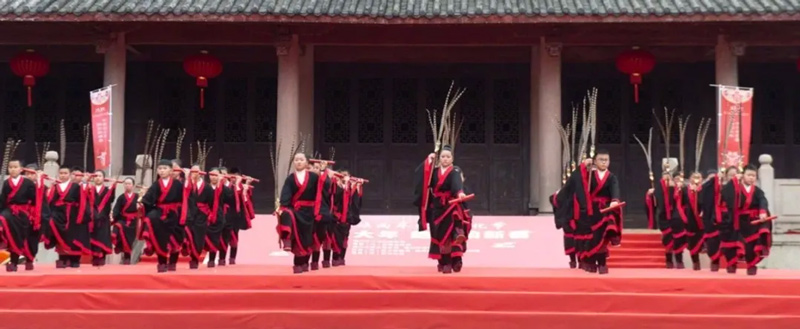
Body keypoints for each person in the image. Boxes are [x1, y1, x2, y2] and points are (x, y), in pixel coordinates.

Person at [414, 145, 467, 274]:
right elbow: (422, 177)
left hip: (451, 205)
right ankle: (442, 261)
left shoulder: (455, 170)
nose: (445, 159)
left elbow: (457, 184)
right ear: (439, 158)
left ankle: (454, 260)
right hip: (436, 207)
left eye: (448, 157)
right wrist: (428, 161)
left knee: (451, 234)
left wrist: (459, 193)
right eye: (442, 156)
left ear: (452, 158)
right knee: (437, 234)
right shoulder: (434, 171)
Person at [570, 151, 623, 274]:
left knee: (602, 238)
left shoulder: (611, 177)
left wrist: (614, 200)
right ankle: (591, 263)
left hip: (604, 211)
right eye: (601, 159)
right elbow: (576, 179)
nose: (604, 162)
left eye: (606, 160)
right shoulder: (589, 175)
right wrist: (583, 165)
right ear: (595, 161)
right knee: (591, 239)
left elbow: (615, 190)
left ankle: (602, 264)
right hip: (590, 210)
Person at [277, 152, 326, 273]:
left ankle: (304, 262)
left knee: (308, 239)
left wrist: (323, 172)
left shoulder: (314, 177)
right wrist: (283, 206)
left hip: (310, 212)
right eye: (296, 160)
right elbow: (286, 195)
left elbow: (322, 191)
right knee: (287, 216)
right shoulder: (290, 178)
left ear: (306, 162)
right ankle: (289, 245)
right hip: (296, 211)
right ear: (294, 162)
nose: (299, 162)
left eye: (301, 159)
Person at [139, 159, 192, 272]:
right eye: (160, 168)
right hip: (160, 213)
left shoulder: (177, 184)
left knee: (176, 238)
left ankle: (172, 262)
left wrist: (187, 178)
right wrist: (141, 204)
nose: (162, 171)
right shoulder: (156, 184)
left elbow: (186, 195)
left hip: (175, 214)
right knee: (158, 235)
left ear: (171, 170)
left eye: (165, 168)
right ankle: (162, 263)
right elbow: (147, 200)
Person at [720, 164, 771, 275]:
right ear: (743, 175)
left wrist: (762, 212)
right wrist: (733, 181)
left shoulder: (757, 191)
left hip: (751, 222)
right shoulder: (735, 187)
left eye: (754, 176)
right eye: (749, 175)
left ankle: (751, 265)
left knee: (751, 245)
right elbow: (725, 194)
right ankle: (732, 264)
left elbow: (763, 201)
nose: (751, 178)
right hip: (736, 221)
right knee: (732, 243)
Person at [0, 160, 46, 271]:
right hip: (10, 212)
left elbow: (36, 199)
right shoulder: (7, 183)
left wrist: (39, 182)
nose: (12, 169)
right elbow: (3, 201)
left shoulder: (28, 183)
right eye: (10, 167)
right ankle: (13, 262)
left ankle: (29, 260)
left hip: (25, 213)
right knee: (6, 224)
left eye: (15, 167)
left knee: (27, 237)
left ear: (21, 169)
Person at [42, 165, 91, 268]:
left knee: (73, 237)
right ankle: (62, 259)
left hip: (72, 214)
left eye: (65, 173)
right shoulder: (55, 186)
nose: (63, 175)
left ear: (70, 175)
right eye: (61, 173)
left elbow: (83, 197)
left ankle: (74, 260)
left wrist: (85, 182)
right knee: (55, 228)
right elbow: (50, 201)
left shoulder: (76, 186)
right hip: (58, 213)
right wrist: (50, 189)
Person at [701, 167, 738, 272]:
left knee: (731, 241)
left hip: (730, 218)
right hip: (715, 217)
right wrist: (716, 179)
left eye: (735, 175)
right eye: (731, 175)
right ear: (726, 176)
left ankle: (731, 263)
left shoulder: (740, 186)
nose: (733, 177)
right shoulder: (718, 185)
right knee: (714, 241)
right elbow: (704, 190)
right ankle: (715, 260)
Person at [648, 171, 687, 269]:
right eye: (664, 178)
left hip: (677, 218)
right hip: (665, 218)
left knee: (678, 239)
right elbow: (655, 202)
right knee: (668, 239)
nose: (667, 180)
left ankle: (679, 260)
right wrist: (650, 195)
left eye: (668, 177)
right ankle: (668, 260)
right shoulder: (659, 189)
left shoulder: (679, 189)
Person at [88, 170, 117, 267]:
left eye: (100, 176)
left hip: (104, 217)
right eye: (95, 176)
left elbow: (111, 199)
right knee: (93, 237)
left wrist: (113, 186)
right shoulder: (90, 189)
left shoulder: (107, 189)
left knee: (103, 237)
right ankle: (95, 257)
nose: (97, 178)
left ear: (104, 178)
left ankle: (102, 257)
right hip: (92, 218)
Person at [182, 164, 209, 269]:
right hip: (188, 214)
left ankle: (194, 258)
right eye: (192, 171)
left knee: (198, 238)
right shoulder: (186, 184)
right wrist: (186, 178)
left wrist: (207, 214)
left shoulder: (206, 187)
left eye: (196, 171)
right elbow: (184, 194)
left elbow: (211, 202)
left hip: (201, 216)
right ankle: (185, 246)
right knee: (187, 234)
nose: (194, 173)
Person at [680, 172, 706, 270]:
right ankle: (695, 262)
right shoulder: (684, 190)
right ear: (690, 178)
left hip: (701, 218)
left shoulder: (703, 190)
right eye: (694, 177)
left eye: (698, 177)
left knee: (702, 238)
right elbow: (681, 203)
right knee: (692, 241)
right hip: (689, 218)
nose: (696, 179)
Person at [111, 177, 140, 264]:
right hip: (123, 220)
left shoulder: (138, 196)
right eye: (125, 184)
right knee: (118, 226)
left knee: (129, 240)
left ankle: (127, 258)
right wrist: (113, 217)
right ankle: (115, 239)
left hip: (134, 222)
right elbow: (116, 209)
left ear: (133, 186)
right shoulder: (121, 197)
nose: (127, 185)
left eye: (129, 184)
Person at [451, 169, 472, 272]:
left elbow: (467, 207)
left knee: (459, 238)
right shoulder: (447, 190)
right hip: (448, 217)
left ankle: (457, 261)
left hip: (461, 218)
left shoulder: (465, 189)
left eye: (460, 177)